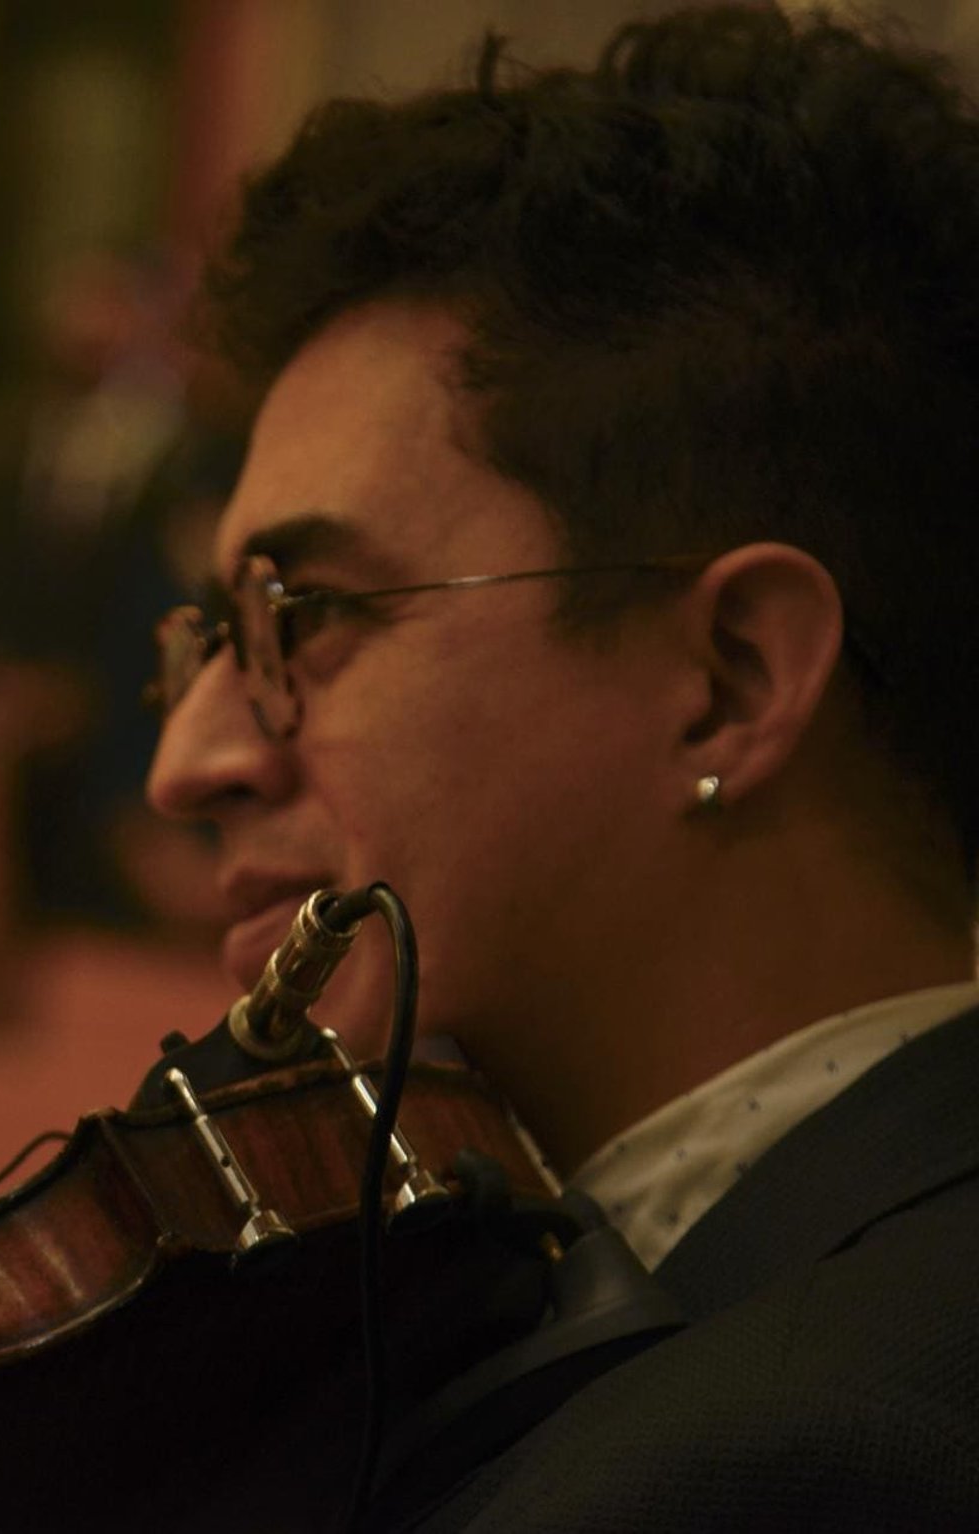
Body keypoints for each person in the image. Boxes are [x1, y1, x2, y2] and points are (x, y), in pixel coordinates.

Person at [146, 7, 979, 1528]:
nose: (186, 762)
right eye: (208, 640)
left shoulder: (802, 1454)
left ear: (730, 682)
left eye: (305, 615)